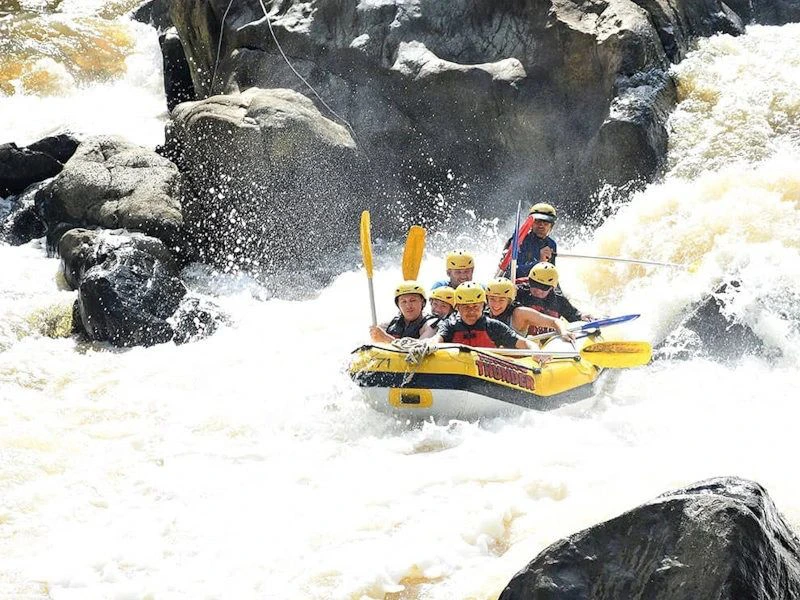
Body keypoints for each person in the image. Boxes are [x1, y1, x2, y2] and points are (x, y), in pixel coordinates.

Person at [429, 282, 537, 349]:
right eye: (466, 307)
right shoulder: (450, 325)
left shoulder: (493, 326)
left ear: (483, 306)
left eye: (475, 307)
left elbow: (525, 343)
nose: (471, 311)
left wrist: (535, 349)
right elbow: (437, 339)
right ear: (457, 308)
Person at [515, 263, 592, 335]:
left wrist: (581, 317)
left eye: (543, 287)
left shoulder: (559, 301)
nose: (538, 291)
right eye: (534, 284)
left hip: (546, 338)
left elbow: (574, 316)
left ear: (552, 288)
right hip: (523, 335)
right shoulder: (519, 292)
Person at [485, 277, 572, 338]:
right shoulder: (482, 312)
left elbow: (555, 321)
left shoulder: (520, 313)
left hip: (517, 359)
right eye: (492, 299)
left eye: (501, 300)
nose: (496, 304)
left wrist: (563, 332)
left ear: (509, 301)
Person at [498, 202, 558, 279]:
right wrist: (540, 263)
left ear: (551, 225)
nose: (541, 225)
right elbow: (512, 271)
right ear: (531, 223)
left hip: (537, 285)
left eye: (546, 222)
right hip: (514, 284)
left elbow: (550, 274)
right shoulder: (518, 240)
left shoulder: (551, 244)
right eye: (537, 221)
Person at [369, 280, 439, 343]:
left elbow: (420, 348)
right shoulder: (389, 324)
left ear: (423, 302)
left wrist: (387, 339)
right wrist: (375, 334)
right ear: (398, 305)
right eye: (403, 301)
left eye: (413, 300)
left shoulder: (431, 324)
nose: (408, 306)